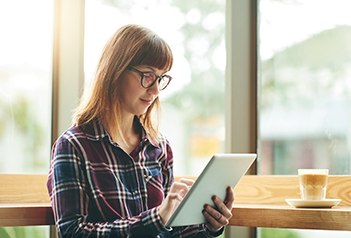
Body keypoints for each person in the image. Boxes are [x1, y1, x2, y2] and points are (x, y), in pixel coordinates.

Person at [46, 24, 234, 238]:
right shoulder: (73, 146)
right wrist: (157, 220)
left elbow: (170, 231)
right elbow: (72, 233)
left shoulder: (159, 147)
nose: (155, 90)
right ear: (114, 71)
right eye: (147, 75)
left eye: (161, 78)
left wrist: (209, 226)